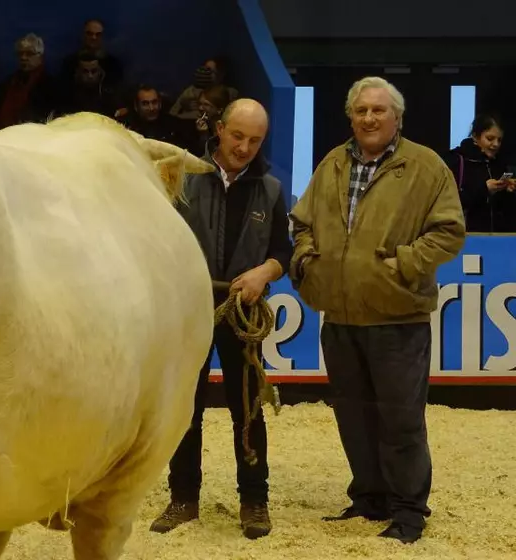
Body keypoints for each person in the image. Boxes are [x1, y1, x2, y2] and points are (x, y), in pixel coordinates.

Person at [289, 76, 466, 544]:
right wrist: (308, 260)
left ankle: (408, 511)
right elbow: (301, 222)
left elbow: (449, 231)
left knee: (401, 418)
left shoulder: (426, 166)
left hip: (397, 318)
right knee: (354, 415)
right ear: (351, 116)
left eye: (378, 111)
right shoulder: (331, 163)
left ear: (397, 118)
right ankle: (368, 498)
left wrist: (403, 264)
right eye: (361, 110)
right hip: (341, 318)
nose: (369, 118)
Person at [149, 98, 293, 540]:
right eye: (237, 136)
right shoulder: (184, 177)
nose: (244, 147)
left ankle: (254, 502)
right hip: (190, 308)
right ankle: (183, 498)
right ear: (220, 129)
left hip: (242, 308)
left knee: (247, 408)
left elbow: (282, 251)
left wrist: (263, 272)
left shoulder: (269, 188)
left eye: (254, 140)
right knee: (184, 408)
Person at [442, 114, 516, 232]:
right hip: (465, 237)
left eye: (499, 140)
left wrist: (507, 190)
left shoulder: (499, 164)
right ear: (476, 137)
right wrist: (485, 189)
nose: (496, 144)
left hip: (497, 239)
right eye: (490, 138)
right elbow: (448, 203)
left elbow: (503, 210)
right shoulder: (456, 161)